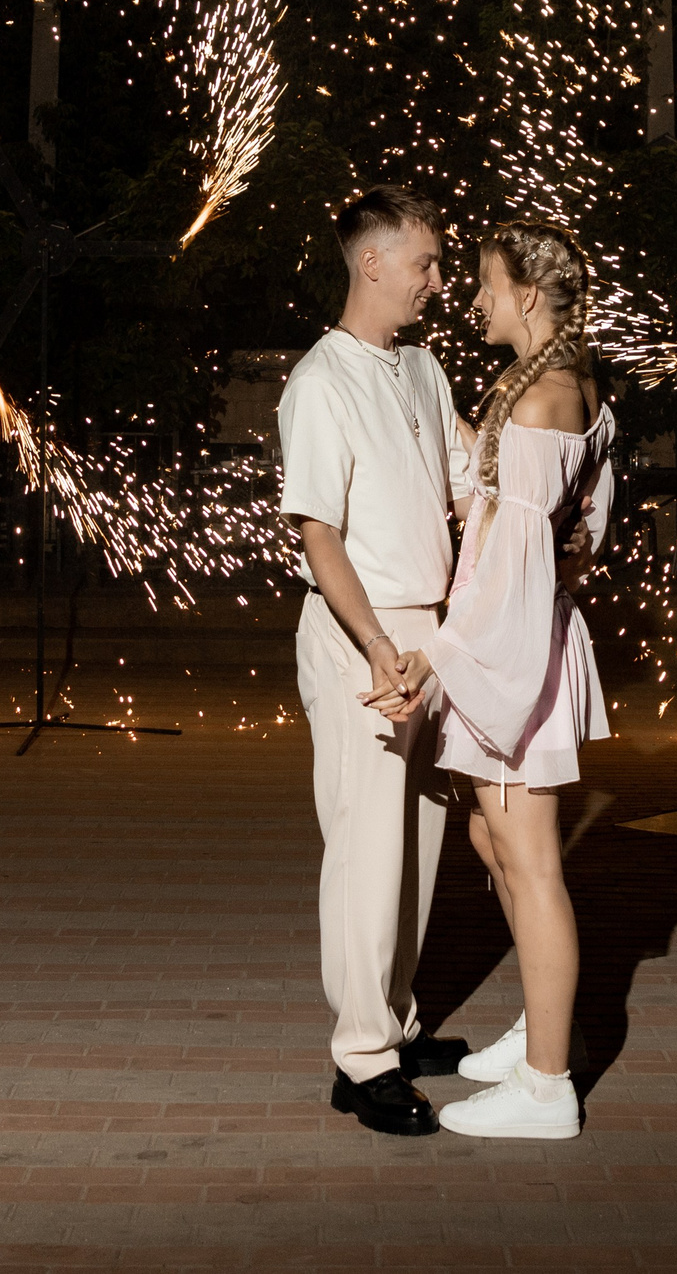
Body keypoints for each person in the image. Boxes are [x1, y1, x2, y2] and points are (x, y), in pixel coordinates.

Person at [406, 219, 615, 1140]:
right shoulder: (557, 387)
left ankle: (546, 1085)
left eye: (488, 284)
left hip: (513, 652)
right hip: (526, 638)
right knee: (499, 846)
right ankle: (546, 1020)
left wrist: (444, 660)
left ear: (529, 294)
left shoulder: (542, 402)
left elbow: (515, 572)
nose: (476, 298)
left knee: (529, 866)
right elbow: (584, 533)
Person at [276, 184, 477, 1137]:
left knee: (421, 848)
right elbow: (319, 534)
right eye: (426, 262)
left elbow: (464, 478)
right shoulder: (320, 380)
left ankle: (393, 1024)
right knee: (366, 851)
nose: (438, 280)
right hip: (365, 635)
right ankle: (360, 1062)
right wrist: (381, 648)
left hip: (429, 633)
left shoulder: (424, 369)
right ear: (372, 263)